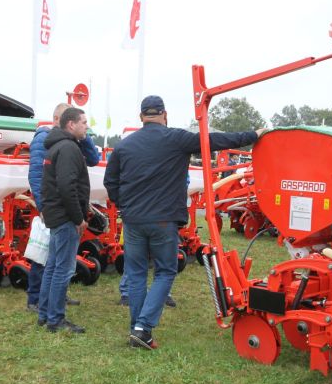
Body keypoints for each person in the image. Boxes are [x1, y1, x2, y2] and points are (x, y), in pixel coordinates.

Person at [104, 95, 263, 349]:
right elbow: (215, 140)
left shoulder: (125, 145)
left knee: (135, 274)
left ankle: (137, 326)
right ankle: (142, 328)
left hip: (133, 220)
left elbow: (110, 182)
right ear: (164, 115)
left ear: (141, 117)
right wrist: (253, 135)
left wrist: (124, 204)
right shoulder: (176, 138)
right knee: (165, 271)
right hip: (164, 220)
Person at [27, 103, 99, 313]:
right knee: (50, 260)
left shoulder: (69, 144)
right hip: (58, 210)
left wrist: (84, 138)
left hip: (57, 208)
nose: (86, 126)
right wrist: (44, 206)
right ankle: (41, 304)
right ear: (63, 121)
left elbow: (93, 159)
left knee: (53, 261)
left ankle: (49, 304)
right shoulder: (51, 143)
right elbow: (41, 177)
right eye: (83, 123)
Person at [37, 107, 91, 333]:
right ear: (71, 124)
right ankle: (55, 319)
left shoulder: (57, 146)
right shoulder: (68, 148)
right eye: (84, 122)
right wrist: (79, 218)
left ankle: (45, 313)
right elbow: (67, 186)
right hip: (66, 217)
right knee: (63, 268)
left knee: (52, 266)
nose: (86, 127)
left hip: (56, 214)